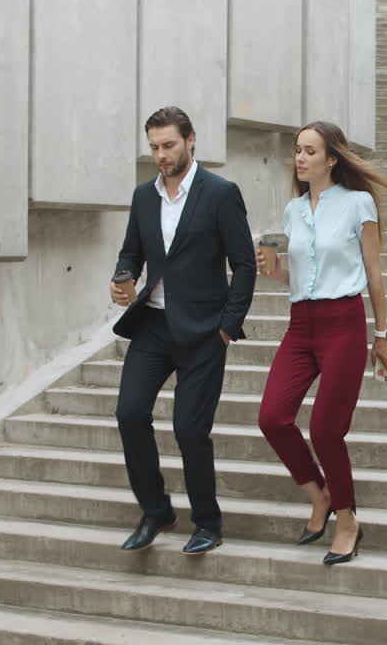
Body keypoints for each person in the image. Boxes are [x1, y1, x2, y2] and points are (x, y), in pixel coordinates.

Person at [110, 106, 256, 555]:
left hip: (203, 333)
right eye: (154, 146)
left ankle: (207, 522)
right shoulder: (143, 196)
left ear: (191, 140)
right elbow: (132, 252)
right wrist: (123, 275)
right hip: (153, 326)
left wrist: (227, 329)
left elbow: (245, 265)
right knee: (129, 414)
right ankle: (156, 511)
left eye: (169, 145)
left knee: (190, 431)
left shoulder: (220, 193)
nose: (161, 154)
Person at [256, 120, 387, 566]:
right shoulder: (292, 211)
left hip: (343, 323)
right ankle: (319, 494)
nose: (300, 158)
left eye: (310, 151)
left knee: (325, 430)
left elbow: (373, 272)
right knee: (273, 417)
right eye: (297, 150)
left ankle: (347, 518)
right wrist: (273, 268)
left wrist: (382, 335)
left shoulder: (358, 205)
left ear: (332, 158)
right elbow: (293, 277)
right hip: (301, 324)